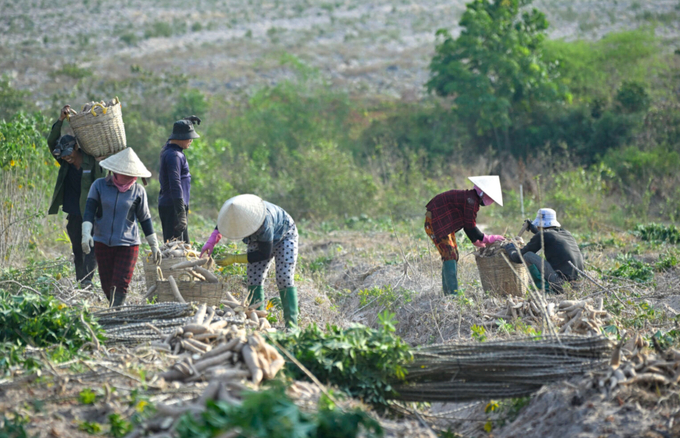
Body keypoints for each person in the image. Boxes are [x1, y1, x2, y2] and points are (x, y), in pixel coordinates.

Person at [200, 194, 299, 328]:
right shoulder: (235, 212)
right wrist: (211, 241)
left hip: (285, 234)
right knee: (254, 278)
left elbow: (264, 253)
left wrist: (234, 258)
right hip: (260, 240)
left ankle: (292, 325)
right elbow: (222, 225)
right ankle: (258, 321)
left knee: (284, 277)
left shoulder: (264, 223)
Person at [81, 148, 162, 307]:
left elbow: (145, 219)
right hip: (102, 241)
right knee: (106, 284)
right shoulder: (99, 186)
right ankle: (115, 307)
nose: (131, 177)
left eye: (133, 174)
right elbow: (89, 211)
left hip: (128, 243)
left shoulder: (138, 191)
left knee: (121, 283)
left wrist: (154, 245)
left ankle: (117, 311)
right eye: (126, 173)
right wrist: (86, 234)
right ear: (115, 171)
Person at [47, 104, 106, 288]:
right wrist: (60, 120)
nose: (67, 158)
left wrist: (101, 163)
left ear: (76, 148)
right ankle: (81, 281)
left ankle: (87, 281)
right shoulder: (65, 164)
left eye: (68, 154)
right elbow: (51, 143)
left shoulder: (91, 160)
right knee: (77, 249)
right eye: (63, 157)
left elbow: (101, 181)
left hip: (91, 213)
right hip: (73, 213)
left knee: (92, 248)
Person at [425, 176, 505, 295]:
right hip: (435, 222)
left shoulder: (471, 199)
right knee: (450, 255)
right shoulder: (471, 201)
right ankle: (452, 295)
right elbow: (470, 226)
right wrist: (486, 238)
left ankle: (448, 292)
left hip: (442, 222)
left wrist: (475, 240)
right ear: (483, 194)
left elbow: (467, 224)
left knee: (453, 255)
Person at [504, 208, 584, 293]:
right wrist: (534, 229)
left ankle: (546, 289)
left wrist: (511, 248)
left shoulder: (543, 235)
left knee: (527, 256)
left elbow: (517, 258)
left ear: (539, 225)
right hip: (580, 285)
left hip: (562, 284)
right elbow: (548, 235)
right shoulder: (566, 233)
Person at [158, 116, 201, 243]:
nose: (191, 140)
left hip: (174, 206)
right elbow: (175, 183)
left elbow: (170, 140)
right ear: (180, 137)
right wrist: (181, 212)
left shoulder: (169, 149)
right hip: (174, 208)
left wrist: (185, 122)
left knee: (183, 248)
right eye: (189, 137)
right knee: (175, 250)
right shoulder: (174, 155)